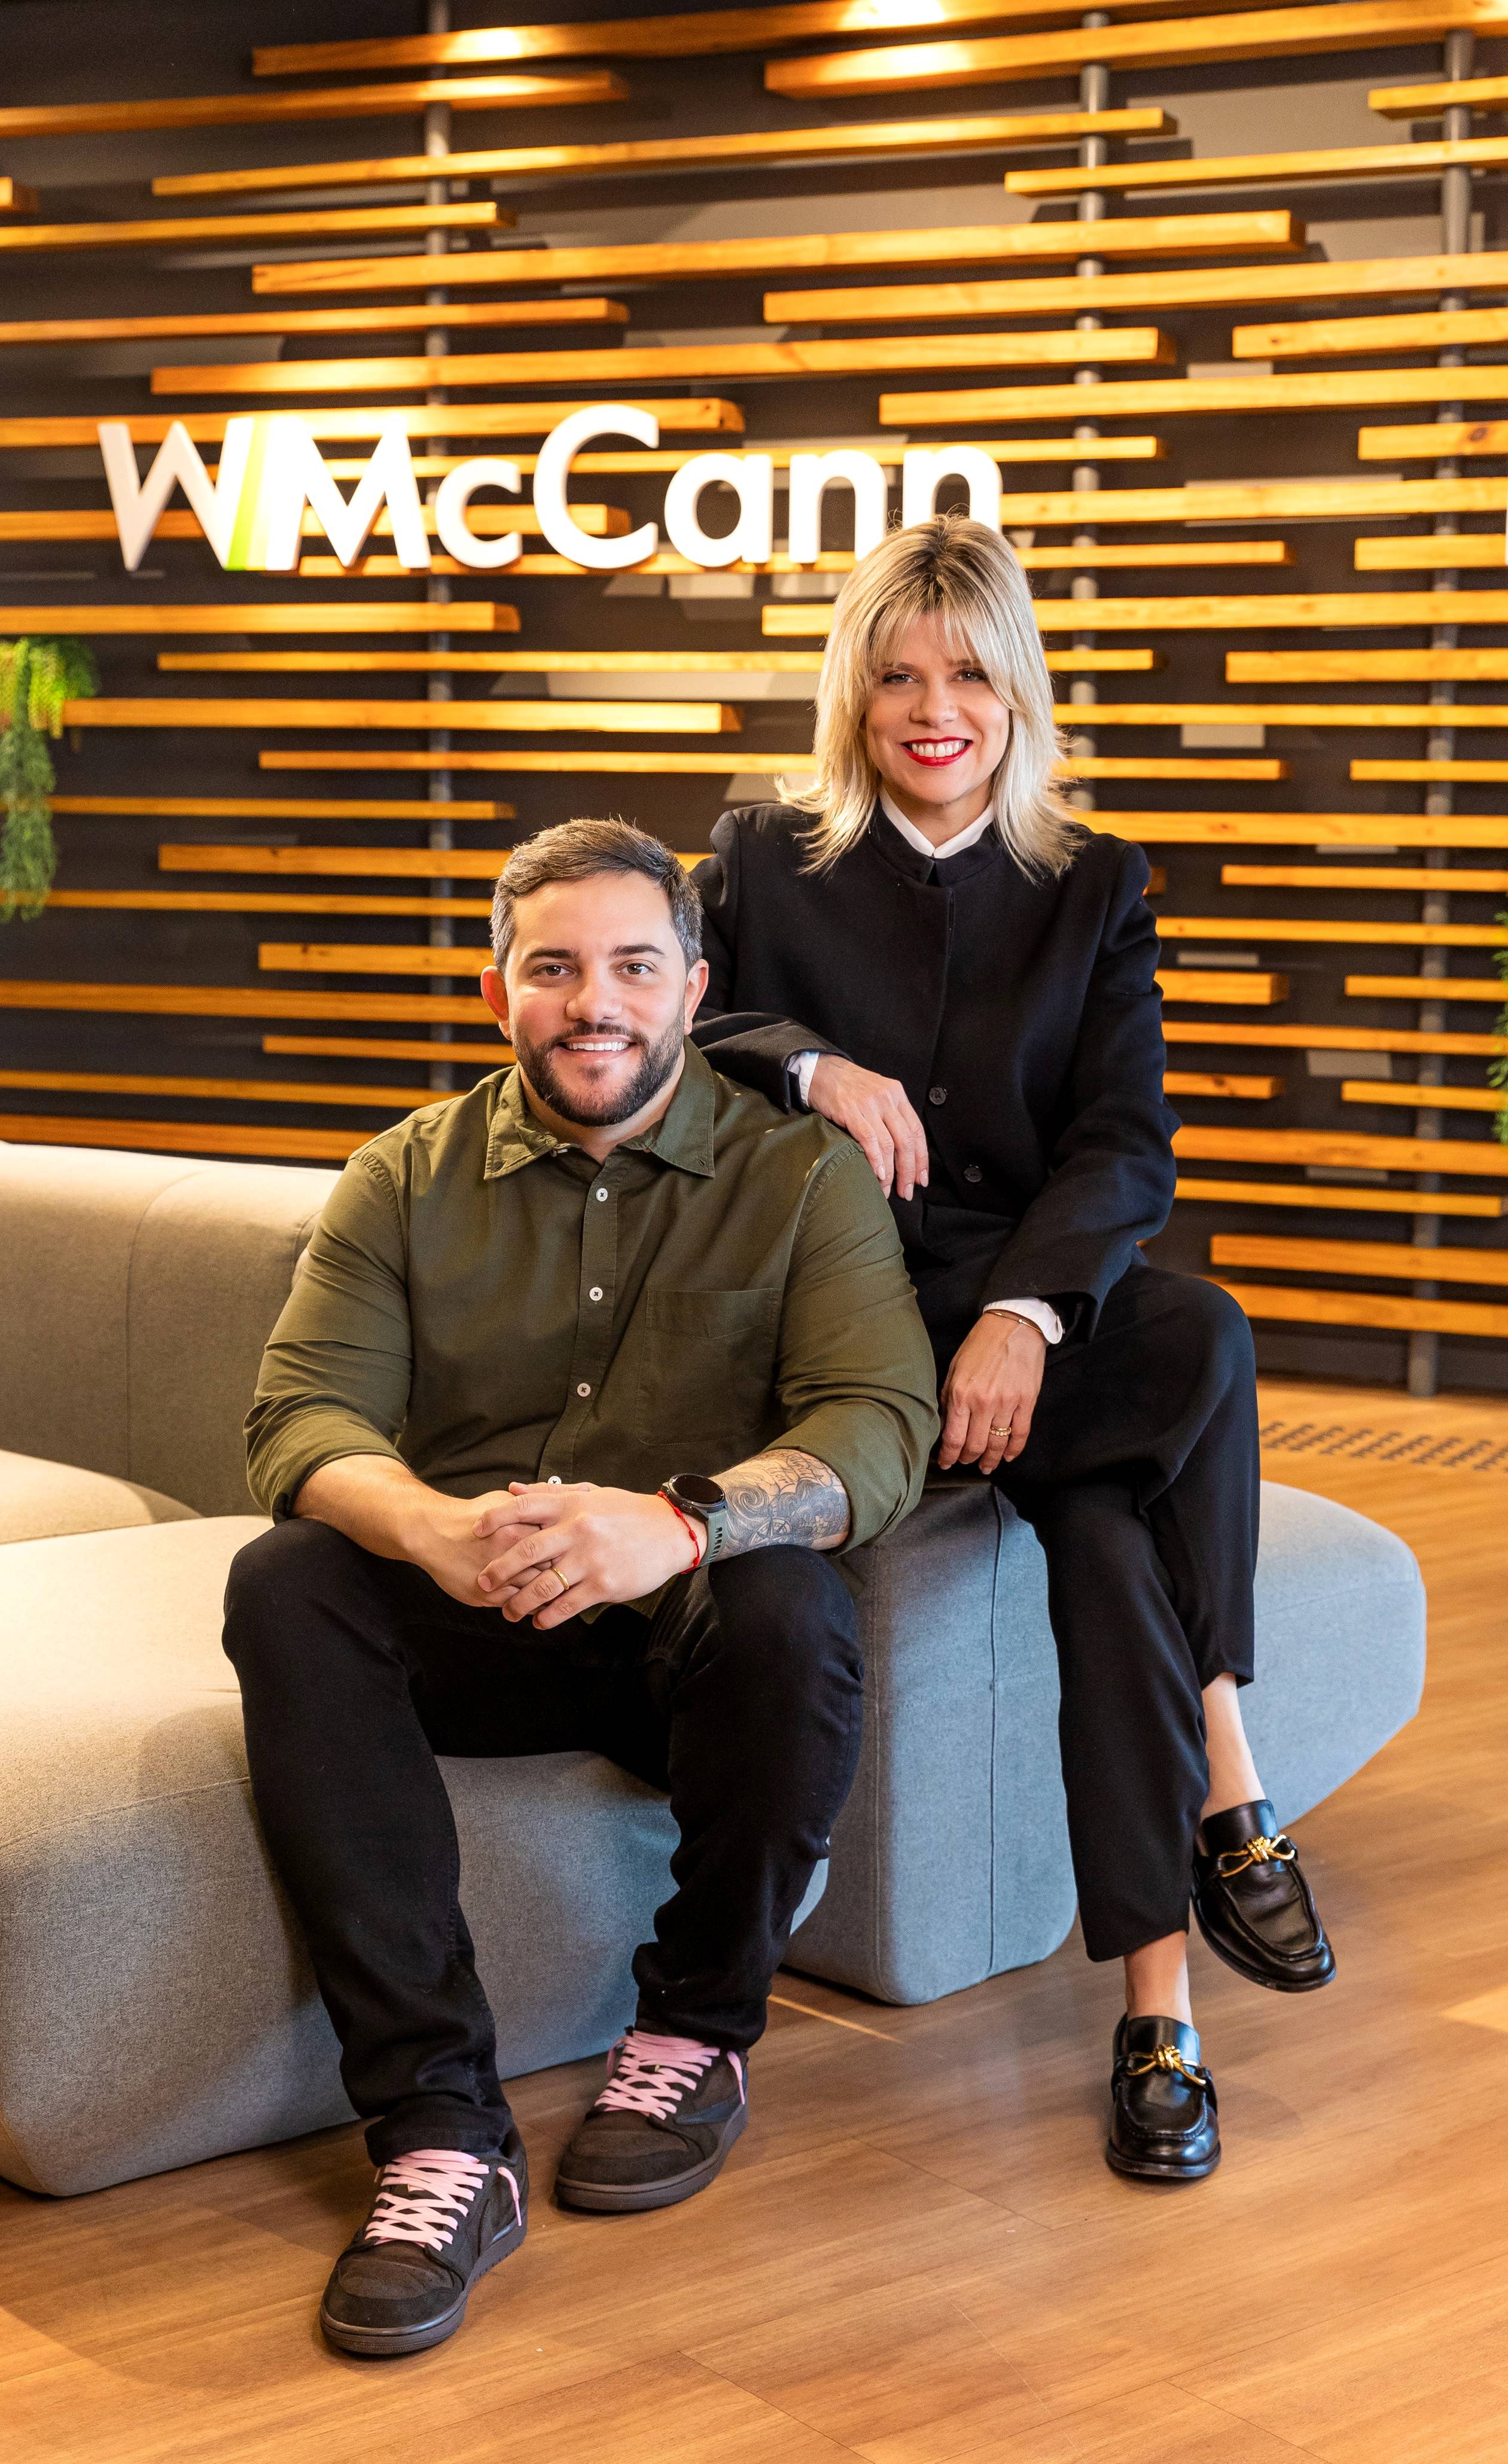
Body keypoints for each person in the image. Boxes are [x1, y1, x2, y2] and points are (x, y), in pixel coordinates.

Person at [223, 818, 938, 2358]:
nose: (592, 1003)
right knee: (286, 1580)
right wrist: (428, 1529)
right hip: (473, 1612)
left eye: (631, 966)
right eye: (551, 969)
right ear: (497, 993)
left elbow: (878, 1429)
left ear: (693, 988)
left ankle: (692, 2032)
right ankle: (439, 2133)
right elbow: (300, 1417)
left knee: (790, 1606)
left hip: (683, 1632)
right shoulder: (402, 1177)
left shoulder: (800, 1178)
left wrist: (679, 1526)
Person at [693, 513, 1334, 2185]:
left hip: (1024, 1314)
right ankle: (1220, 1824)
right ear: (852, 691)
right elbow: (671, 1020)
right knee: (1136, 1476)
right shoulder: (762, 858)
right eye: (898, 675)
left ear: (1017, 692)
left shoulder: (1092, 883)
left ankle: (1160, 2006)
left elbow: (1124, 1142)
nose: (935, 710)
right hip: (844, 1320)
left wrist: (1024, 1315)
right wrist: (813, 1066)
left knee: (1175, 1384)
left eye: (969, 674)